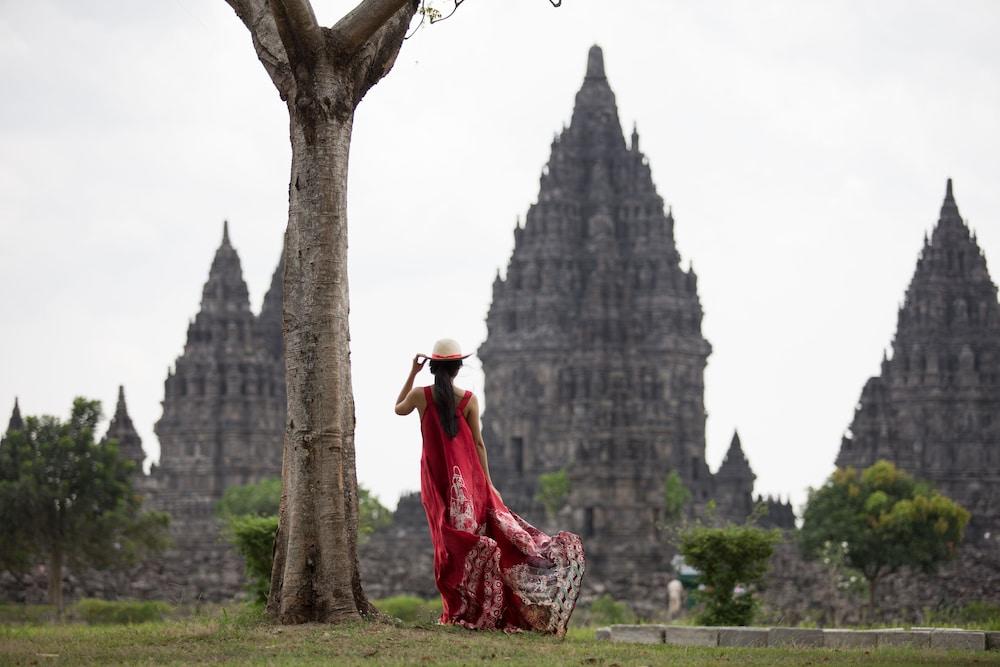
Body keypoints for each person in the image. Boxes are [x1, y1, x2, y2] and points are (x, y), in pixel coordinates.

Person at [395, 338, 585, 635]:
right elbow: (479, 443)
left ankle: (459, 611)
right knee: (477, 536)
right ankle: (482, 606)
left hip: (437, 481)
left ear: (433, 367)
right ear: (458, 368)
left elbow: (398, 409)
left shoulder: (421, 396)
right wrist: (488, 483)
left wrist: (412, 373)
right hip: (468, 481)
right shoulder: (468, 399)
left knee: (449, 546)